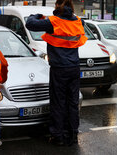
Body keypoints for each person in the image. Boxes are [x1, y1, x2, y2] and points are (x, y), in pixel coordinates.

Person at [26, 0, 87, 146]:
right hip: (74, 67)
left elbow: (30, 23)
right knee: (72, 102)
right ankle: (72, 134)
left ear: (57, 6)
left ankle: (57, 136)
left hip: (59, 68)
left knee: (58, 102)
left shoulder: (52, 22)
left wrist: (37, 15)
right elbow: (81, 23)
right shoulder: (79, 22)